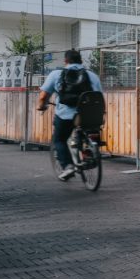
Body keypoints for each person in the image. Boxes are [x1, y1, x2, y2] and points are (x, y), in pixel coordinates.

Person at [37, 50, 103, 181]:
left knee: (59, 140)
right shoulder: (92, 76)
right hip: (88, 115)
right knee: (90, 132)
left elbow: (43, 96)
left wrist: (41, 106)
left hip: (65, 115)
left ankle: (68, 166)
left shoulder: (56, 74)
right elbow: (99, 95)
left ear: (65, 61)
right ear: (81, 61)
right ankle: (89, 153)